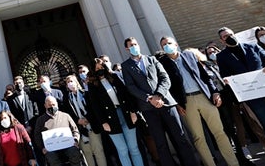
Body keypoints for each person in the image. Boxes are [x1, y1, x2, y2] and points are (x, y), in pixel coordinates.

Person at [216, 26, 265, 165]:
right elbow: (224, 74)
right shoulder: (221, 56)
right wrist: (227, 80)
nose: (229, 37)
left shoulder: (252, 46)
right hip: (253, 96)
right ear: (222, 41)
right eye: (226, 36)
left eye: (230, 34)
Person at [158, 37, 238, 166]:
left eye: (169, 43)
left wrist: (215, 92)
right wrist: (176, 104)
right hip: (186, 102)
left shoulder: (189, 55)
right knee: (198, 138)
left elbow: (204, 75)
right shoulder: (162, 63)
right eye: (164, 45)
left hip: (204, 97)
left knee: (219, 132)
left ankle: (233, 163)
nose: (167, 46)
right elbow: (167, 86)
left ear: (176, 44)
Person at [121, 37, 199, 166]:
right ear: (127, 48)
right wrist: (149, 98)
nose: (135, 47)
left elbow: (165, 78)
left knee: (180, 138)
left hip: (166, 103)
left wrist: (159, 95)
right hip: (148, 108)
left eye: (136, 44)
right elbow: (131, 87)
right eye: (131, 45)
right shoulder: (126, 66)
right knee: (160, 142)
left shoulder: (152, 59)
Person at [88, 58, 144, 166]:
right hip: (110, 119)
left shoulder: (114, 77)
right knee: (122, 150)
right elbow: (95, 106)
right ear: (93, 70)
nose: (100, 70)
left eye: (101, 67)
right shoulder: (92, 85)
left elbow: (126, 95)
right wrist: (103, 122)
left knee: (134, 148)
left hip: (125, 114)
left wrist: (133, 111)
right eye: (97, 68)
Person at [63, 74, 106, 166]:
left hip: (92, 126)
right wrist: (78, 121)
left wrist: (87, 118)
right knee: (87, 154)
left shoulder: (85, 93)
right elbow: (68, 115)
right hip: (80, 129)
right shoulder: (67, 99)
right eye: (68, 82)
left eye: (71, 81)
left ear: (76, 82)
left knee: (99, 151)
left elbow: (93, 107)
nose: (70, 83)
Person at [33, 96, 82, 166]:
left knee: (74, 152)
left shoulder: (65, 116)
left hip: (67, 145)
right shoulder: (40, 120)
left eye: (53, 105)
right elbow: (37, 136)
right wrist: (42, 147)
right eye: (49, 105)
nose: (52, 107)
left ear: (57, 104)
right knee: (51, 157)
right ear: (45, 106)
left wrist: (75, 140)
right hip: (51, 148)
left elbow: (75, 130)